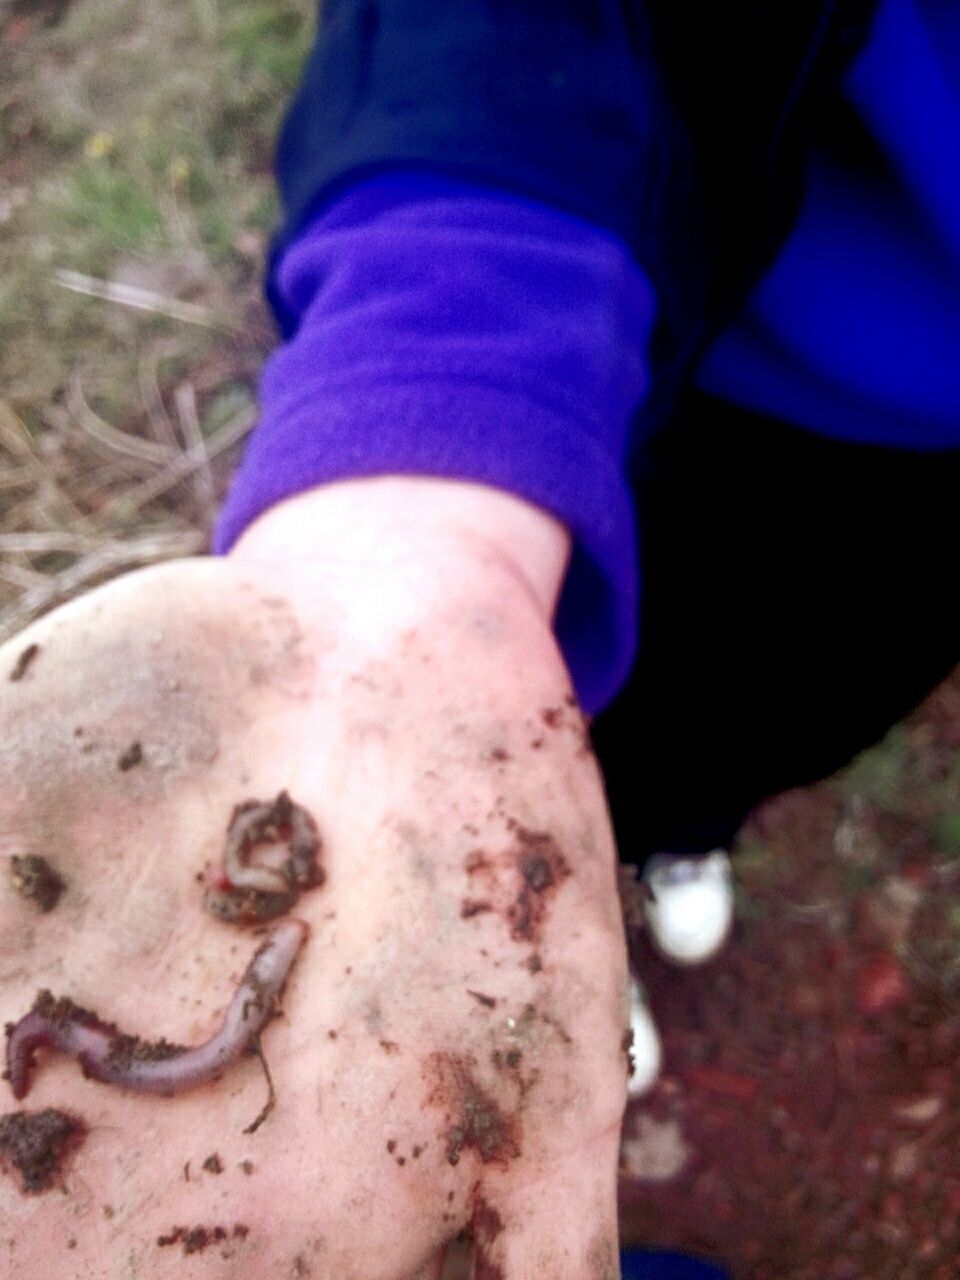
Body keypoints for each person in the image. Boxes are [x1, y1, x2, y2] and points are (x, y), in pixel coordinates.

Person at [2, 2, 959, 1277]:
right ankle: (594, 897)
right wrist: (432, 437)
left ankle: (671, 846)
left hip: (916, 498)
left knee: (770, 712)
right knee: (572, 733)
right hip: (697, 366)